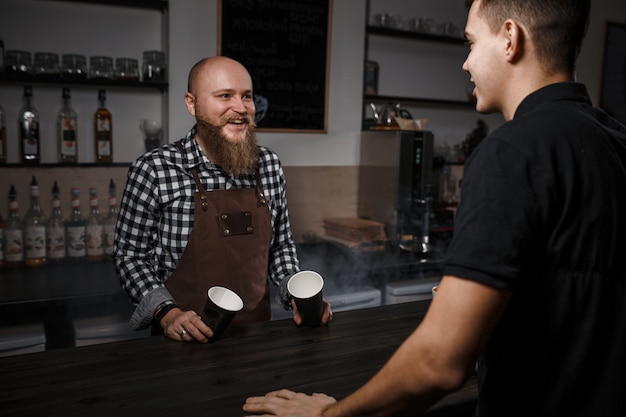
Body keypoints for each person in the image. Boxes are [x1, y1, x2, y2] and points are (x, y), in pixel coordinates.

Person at [243, 0, 626, 416]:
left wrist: (327, 415)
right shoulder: (616, 140)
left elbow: (440, 363)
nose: (465, 63)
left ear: (511, 39)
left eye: (471, 42)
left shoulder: (511, 152)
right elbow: (579, 297)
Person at [114, 56, 332, 343]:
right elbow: (130, 256)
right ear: (192, 103)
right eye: (224, 96)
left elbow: (280, 246)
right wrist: (166, 313)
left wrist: (296, 292)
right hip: (181, 342)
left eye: (247, 96)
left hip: (257, 338)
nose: (240, 108)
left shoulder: (268, 165)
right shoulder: (154, 169)